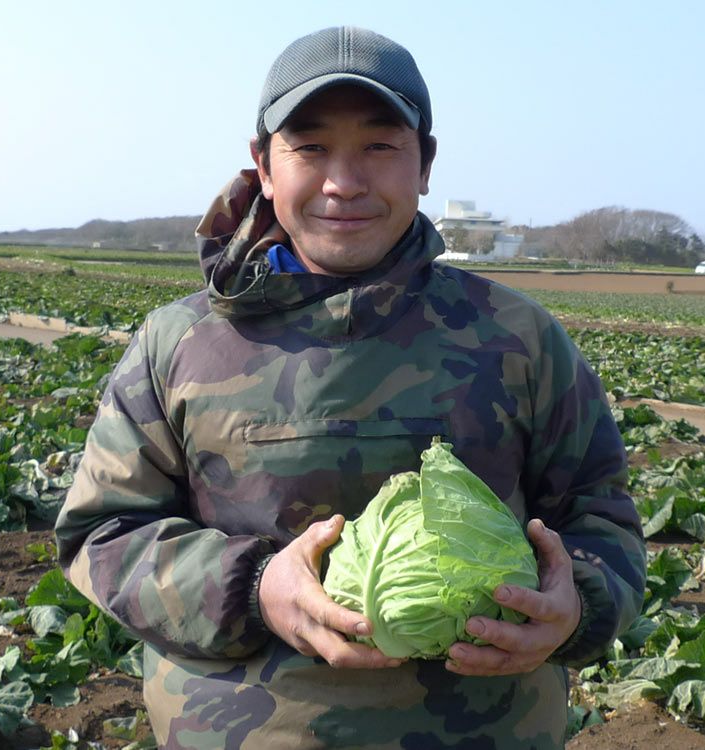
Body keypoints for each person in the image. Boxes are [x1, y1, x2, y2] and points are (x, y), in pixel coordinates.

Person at [55, 26, 646, 749]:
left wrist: (576, 603)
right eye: (309, 148)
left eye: (379, 146)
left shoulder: (519, 337)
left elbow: (602, 517)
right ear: (263, 165)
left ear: (424, 165)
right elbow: (103, 534)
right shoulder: (177, 343)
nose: (343, 182)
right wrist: (256, 588)